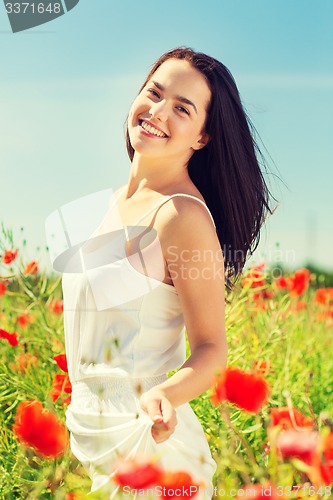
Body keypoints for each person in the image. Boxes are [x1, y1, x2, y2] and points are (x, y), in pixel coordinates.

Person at [57, 47, 272, 498]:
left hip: (149, 447)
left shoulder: (181, 217)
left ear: (202, 138)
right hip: (88, 436)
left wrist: (167, 396)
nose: (157, 112)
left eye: (182, 108)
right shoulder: (111, 203)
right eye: (154, 93)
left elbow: (212, 349)